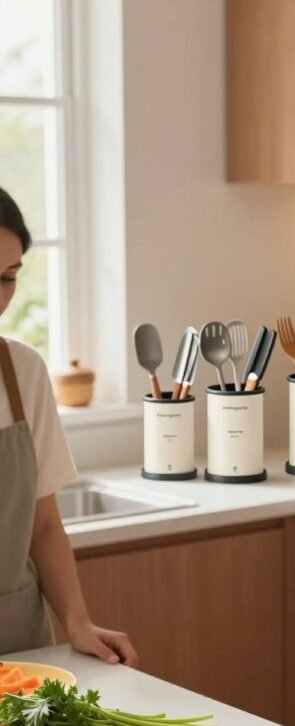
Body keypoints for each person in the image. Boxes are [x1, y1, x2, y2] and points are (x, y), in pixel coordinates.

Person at [0, 187, 137, 666]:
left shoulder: (21, 373)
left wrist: (78, 623)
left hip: (19, 652)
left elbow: (43, 523)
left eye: (7, 278)